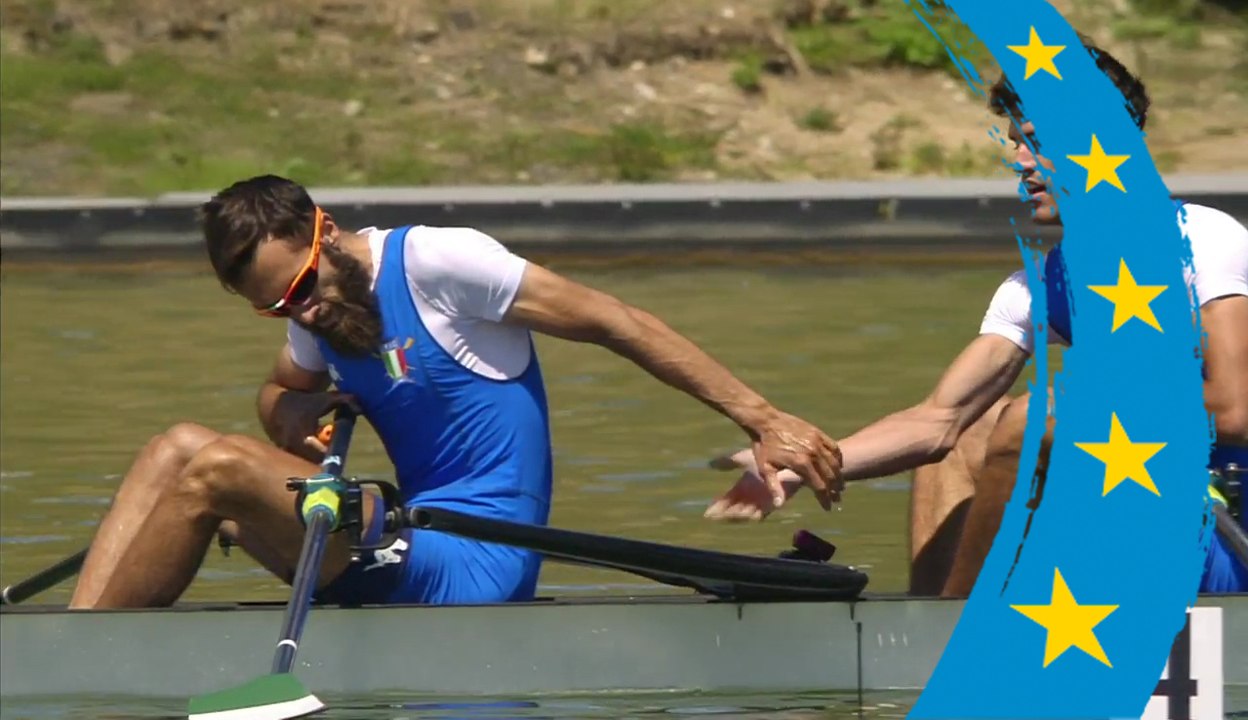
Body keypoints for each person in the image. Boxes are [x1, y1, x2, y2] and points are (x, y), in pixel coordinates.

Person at [68, 175, 843, 610]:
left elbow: (619, 322)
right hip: (403, 531)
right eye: (275, 306)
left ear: (326, 231)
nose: (298, 312)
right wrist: (294, 412)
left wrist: (765, 418)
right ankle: (65, 647)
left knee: (215, 468)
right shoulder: (319, 316)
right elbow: (278, 396)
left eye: (301, 286)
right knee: (174, 445)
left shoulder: (443, 264)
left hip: (481, 562)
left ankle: (91, 661)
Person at [705, 39, 1248, 597]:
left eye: (1036, 144)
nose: (1018, 162)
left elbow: (1234, 411)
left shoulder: (1203, 240)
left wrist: (1079, 403)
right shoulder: (1034, 288)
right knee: (967, 436)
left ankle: (960, 632)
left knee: (1030, 419)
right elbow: (935, 421)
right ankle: (930, 618)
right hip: (1133, 515)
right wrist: (801, 467)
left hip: (1221, 534)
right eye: (1016, 144)